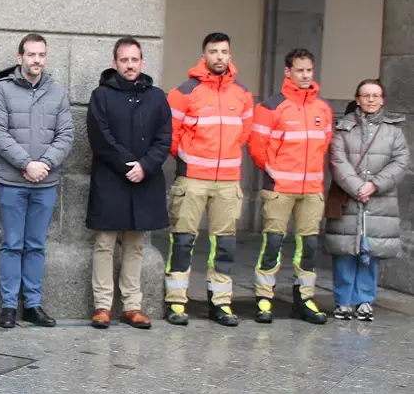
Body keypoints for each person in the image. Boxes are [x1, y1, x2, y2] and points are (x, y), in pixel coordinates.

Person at [165, 32, 253, 327]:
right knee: (183, 241)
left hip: (228, 181)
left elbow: (245, 133)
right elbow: (171, 135)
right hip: (192, 179)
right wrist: (188, 158)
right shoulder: (184, 92)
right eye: (213, 51)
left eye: (224, 51)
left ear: (230, 55)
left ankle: (221, 303)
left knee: (225, 245)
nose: (219, 57)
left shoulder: (242, 94)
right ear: (203, 55)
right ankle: (176, 302)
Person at [0, 33, 74, 329]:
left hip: (45, 183)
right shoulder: (2, 90)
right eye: (31, 55)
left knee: (36, 245)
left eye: (41, 55)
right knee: (12, 244)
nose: (36, 60)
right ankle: (10, 305)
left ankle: (33, 304)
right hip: (12, 181)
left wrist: (45, 164)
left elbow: (66, 135)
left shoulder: (58, 92)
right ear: (19, 58)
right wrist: (26, 163)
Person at [85, 38, 171, 330]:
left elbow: (164, 137)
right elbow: (100, 137)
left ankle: (132, 306)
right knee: (105, 244)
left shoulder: (157, 97)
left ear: (142, 62)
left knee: (135, 245)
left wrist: (145, 166)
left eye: (135, 60)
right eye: (124, 60)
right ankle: (102, 306)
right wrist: (128, 166)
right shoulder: (101, 95)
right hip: (111, 179)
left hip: (144, 181)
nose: (130, 65)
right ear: (115, 63)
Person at [248, 48, 332, 325]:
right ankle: (264, 297)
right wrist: (276, 174)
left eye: (309, 70)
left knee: (308, 246)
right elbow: (257, 149)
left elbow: (325, 145)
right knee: (272, 243)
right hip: (280, 188)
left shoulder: (323, 108)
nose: (305, 75)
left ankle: (304, 299)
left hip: (312, 190)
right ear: (288, 72)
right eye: (300, 70)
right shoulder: (270, 107)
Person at [325, 79, 410, 322]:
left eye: (376, 95)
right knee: (344, 252)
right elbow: (337, 161)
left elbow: (401, 162)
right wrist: (357, 186)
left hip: (379, 200)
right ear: (358, 99)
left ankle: (364, 301)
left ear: (382, 99)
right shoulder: (343, 128)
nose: (371, 100)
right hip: (348, 199)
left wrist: (374, 185)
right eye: (366, 95)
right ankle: (342, 302)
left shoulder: (394, 131)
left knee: (369, 252)